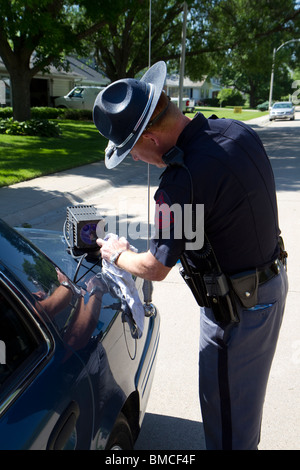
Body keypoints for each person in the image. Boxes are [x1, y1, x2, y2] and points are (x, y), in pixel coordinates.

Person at [92, 61, 288, 450]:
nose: (134, 158)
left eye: (132, 149)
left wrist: (117, 254)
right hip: (264, 287)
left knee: (229, 423)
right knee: (238, 411)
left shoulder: (180, 183)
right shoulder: (234, 131)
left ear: (149, 137)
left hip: (237, 310)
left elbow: (154, 267)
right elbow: (224, 213)